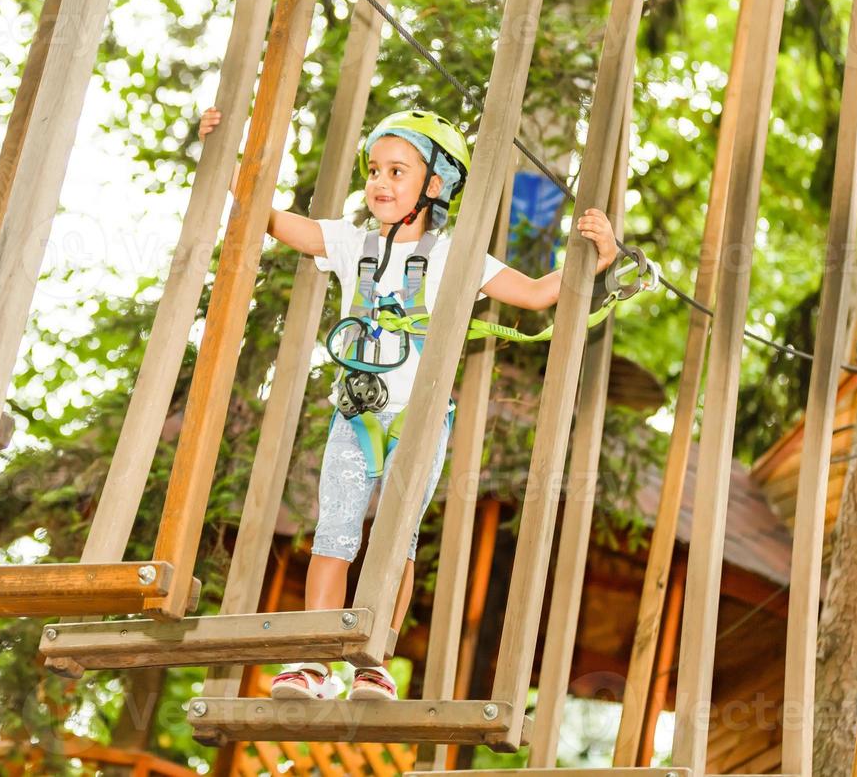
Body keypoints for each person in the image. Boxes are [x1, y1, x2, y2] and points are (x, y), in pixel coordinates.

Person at [197, 106, 618, 700]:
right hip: (356, 414)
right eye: (375, 169)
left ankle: (371, 660)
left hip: (419, 423)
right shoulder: (350, 242)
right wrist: (225, 160)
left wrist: (598, 259)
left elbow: (533, 294)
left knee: (397, 541)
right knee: (335, 534)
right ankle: (312, 658)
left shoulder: (458, 255)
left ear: (435, 186)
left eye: (398, 171)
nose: (380, 182)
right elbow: (267, 218)